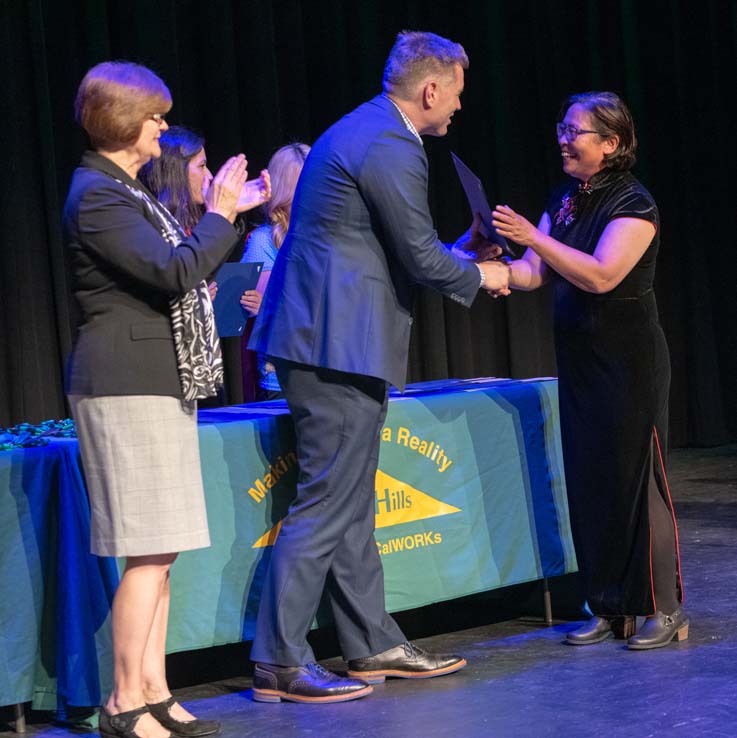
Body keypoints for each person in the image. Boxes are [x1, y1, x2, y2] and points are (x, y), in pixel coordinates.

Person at [247, 31, 510, 704]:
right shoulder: (392, 142)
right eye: (455, 92)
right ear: (429, 90)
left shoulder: (367, 130)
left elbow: (381, 247)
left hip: (334, 338)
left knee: (349, 500)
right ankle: (279, 661)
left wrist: (459, 255)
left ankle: (371, 643)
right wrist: (491, 272)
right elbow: (419, 259)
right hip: (332, 342)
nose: (456, 106)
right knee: (326, 501)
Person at [64, 61, 251, 738]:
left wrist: (221, 217)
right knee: (146, 546)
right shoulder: (97, 196)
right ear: (123, 122)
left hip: (157, 378)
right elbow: (177, 271)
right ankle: (122, 701)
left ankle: (154, 688)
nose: (163, 126)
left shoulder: (126, 190)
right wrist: (222, 214)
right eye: (155, 115)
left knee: (162, 547)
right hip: (123, 381)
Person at [489, 91, 686, 650]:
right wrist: (487, 263)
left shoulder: (634, 202)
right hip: (580, 359)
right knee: (591, 478)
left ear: (612, 143)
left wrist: (537, 239)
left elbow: (602, 275)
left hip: (628, 362)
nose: (563, 138)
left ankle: (662, 607)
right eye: (563, 127)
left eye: (576, 131)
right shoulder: (569, 198)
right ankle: (607, 604)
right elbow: (532, 274)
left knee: (635, 481)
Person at [240, 142, 310, 399]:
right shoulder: (264, 241)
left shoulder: (329, 236)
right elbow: (253, 309)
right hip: (284, 380)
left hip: (331, 373)